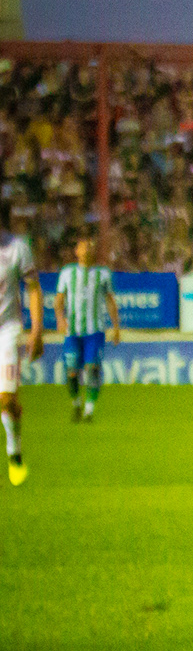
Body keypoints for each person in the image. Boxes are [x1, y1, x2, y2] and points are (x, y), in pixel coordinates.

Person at [54, 234, 120, 423]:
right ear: (76, 251)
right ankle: (76, 404)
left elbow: (110, 300)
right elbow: (59, 298)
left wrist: (116, 327)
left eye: (90, 246)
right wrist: (60, 319)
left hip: (95, 330)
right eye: (83, 246)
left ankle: (89, 410)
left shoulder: (103, 273)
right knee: (72, 372)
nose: (87, 249)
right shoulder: (67, 273)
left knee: (92, 369)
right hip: (72, 332)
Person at [0, 208, 45, 485]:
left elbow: (33, 288)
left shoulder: (17, 248)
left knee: (6, 400)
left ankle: (13, 451)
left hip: (7, 331)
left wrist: (37, 330)